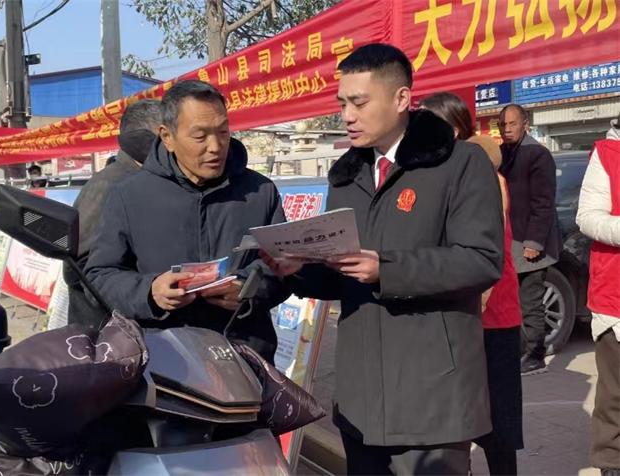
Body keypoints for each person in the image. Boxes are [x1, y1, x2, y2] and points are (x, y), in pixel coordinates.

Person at [262, 44, 504, 475]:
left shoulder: (460, 164)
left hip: (433, 393)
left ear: (401, 99)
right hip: (361, 397)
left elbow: (481, 260)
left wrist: (386, 269)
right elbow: (343, 274)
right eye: (342, 104)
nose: (347, 116)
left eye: (359, 103)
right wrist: (300, 270)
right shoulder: (347, 175)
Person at [85, 80, 289, 362]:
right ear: (167, 137)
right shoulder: (129, 196)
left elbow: (282, 268)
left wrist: (249, 291)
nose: (215, 147)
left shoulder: (260, 192)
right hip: (163, 359)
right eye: (200, 136)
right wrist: (150, 292)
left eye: (223, 132)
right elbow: (99, 276)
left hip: (244, 356)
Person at [420, 92, 524, 475]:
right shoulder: (429, 175)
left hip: (489, 315)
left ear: (454, 130)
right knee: (454, 420)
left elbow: (484, 256)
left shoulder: (486, 178)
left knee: (496, 422)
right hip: (453, 315)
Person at [63, 99, 162, 328]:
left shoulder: (151, 180)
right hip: (105, 330)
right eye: (165, 135)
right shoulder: (109, 186)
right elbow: (80, 267)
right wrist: (145, 291)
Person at [499, 103, 561, 375]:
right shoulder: (503, 153)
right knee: (511, 301)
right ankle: (520, 351)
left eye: (512, 123)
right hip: (510, 240)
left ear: (525, 123)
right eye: (503, 124)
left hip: (532, 242)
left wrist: (534, 243)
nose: (507, 129)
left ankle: (536, 355)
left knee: (531, 302)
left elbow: (543, 203)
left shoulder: (538, 154)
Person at [576, 113, 620, 476]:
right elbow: (587, 217)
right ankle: (611, 461)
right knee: (615, 392)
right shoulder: (607, 153)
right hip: (615, 295)